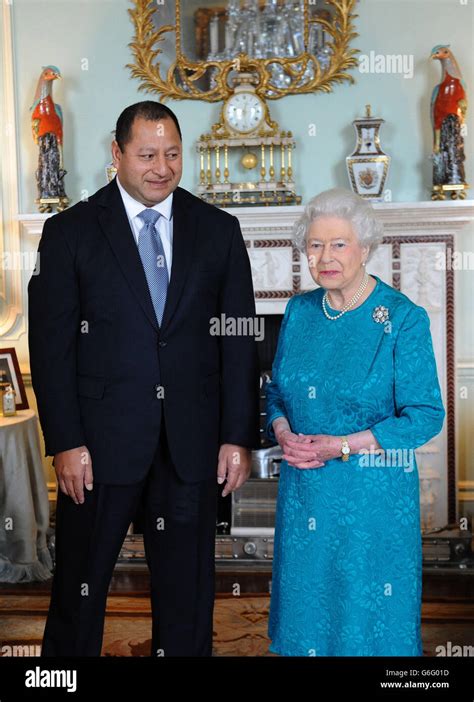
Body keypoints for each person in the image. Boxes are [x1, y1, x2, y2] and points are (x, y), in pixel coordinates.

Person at [28, 101, 260, 657]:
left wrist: (237, 435)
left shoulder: (219, 231)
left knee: (188, 591)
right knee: (79, 590)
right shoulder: (69, 232)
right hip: (98, 447)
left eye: (173, 154)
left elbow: (240, 337)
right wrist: (65, 442)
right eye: (148, 154)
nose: (162, 167)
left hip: (191, 445)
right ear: (117, 154)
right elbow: (51, 349)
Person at [266, 188, 445, 656]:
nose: (326, 257)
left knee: (366, 617)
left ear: (365, 248)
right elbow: (276, 391)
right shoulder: (299, 311)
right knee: (308, 610)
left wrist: (342, 445)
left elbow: (424, 416)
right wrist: (283, 431)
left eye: (339, 244)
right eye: (315, 246)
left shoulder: (403, 319)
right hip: (305, 489)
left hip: (372, 496)